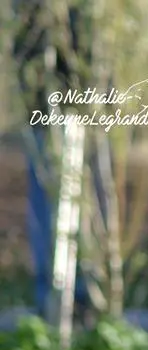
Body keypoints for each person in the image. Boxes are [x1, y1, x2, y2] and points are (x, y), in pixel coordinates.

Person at [12, 0, 96, 321]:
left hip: (79, 108)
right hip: (42, 111)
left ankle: (84, 296)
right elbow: (24, 45)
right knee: (46, 203)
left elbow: (91, 46)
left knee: (86, 203)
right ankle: (53, 298)